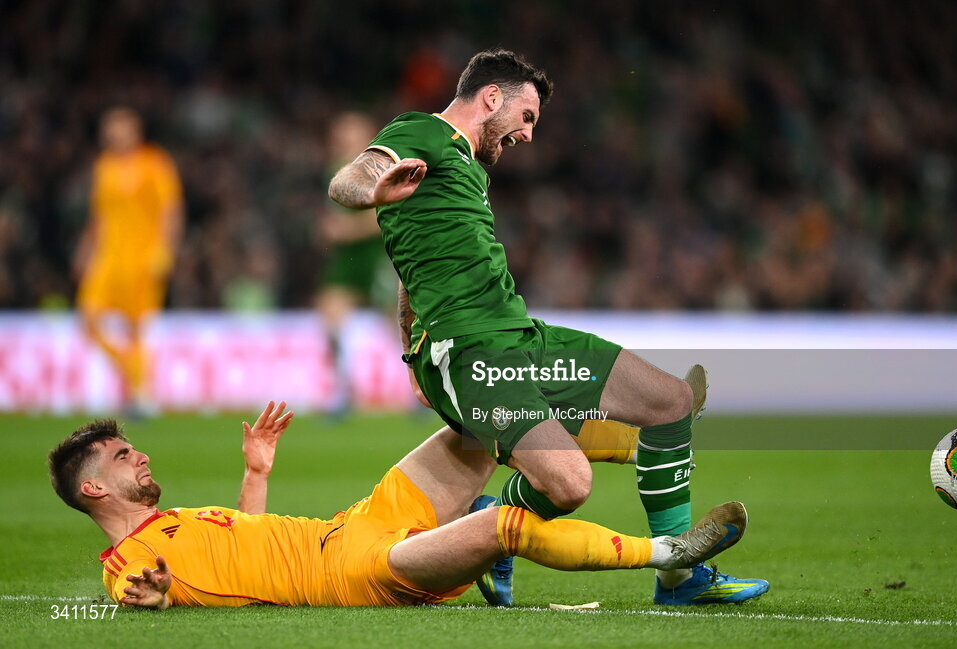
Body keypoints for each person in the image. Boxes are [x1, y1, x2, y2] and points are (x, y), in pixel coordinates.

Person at [329, 49, 768, 606]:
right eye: (527, 117)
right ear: (492, 97)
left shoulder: (460, 167)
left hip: (521, 337)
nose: (528, 135)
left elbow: (410, 263)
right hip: (473, 354)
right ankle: (493, 528)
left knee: (672, 400)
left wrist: (406, 345)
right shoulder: (423, 132)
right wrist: (371, 189)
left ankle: (678, 579)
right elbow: (351, 178)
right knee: (569, 484)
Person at [47, 401, 749, 609]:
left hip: (355, 523)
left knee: (477, 423)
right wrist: (144, 594)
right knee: (502, 525)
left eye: (130, 446)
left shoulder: (173, 522)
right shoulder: (132, 557)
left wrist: (256, 472)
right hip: (361, 573)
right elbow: (132, 586)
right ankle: (670, 553)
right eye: (119, 456)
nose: (138, 454)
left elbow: (250, 538)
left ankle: (642, 432)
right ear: (94, 490)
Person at [73, 107, 183, 416]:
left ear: (135, 130)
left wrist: (165, 250)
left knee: (135, 329)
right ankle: (135, 377)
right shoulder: (104, 165)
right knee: (89, 321)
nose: (112, 133)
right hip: (108, 259)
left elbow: (171, 210)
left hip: (142, 258)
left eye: (118, 127)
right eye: (108, 127)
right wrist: (85, 251)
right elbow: (99, 215)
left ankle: (140, 396)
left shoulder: (154, 162)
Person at [316, 112, 398, 415]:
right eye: (339, 135)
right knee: (329, 320)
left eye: (349, 134)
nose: (342, 140)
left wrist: (347, 230)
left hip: (377, 257)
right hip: (346, 260)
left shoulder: (379, 169)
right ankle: (342, 392)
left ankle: (423, 388)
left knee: (397, 326)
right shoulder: (334, 170)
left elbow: (385, 216)